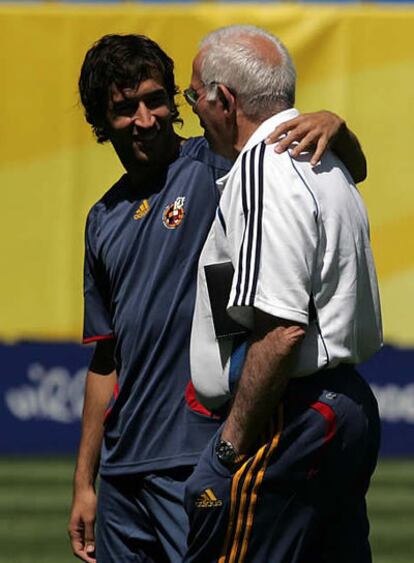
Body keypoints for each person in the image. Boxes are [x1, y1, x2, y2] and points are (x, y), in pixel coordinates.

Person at [68, 33, 369, 563]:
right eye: (124, 108)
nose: (146, 118)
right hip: (121, 473)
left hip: (199, 452)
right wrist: (85, 482)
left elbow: (310, 161)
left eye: (156, 99)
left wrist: (336, 126)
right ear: (100, 120)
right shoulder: (102, 219)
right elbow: (104, 358)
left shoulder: (217, 162)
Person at [185, 25, 382, 563]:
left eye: (194, 94)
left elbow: (282, 329)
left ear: (224, 100)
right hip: (344, 405)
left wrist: (228, 448)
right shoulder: (328, 159)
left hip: (289, 413)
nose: (192, 109)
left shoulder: (262, 167)